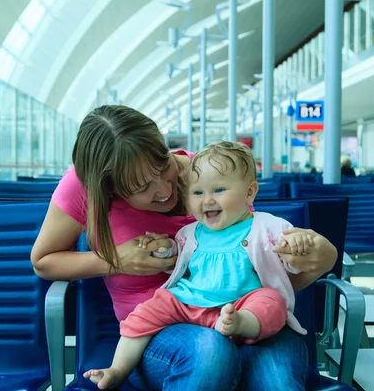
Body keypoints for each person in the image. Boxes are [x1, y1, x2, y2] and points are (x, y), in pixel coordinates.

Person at [31, 105, 338, 391]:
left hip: (242, 313)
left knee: (276, 377)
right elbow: (44, 261)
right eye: (141, 187)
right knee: (211, 351)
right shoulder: (85, 185)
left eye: (163, 165)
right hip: (159, 331)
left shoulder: (209, 175)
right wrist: (116, 261)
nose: (164, 190)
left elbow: (257, 271)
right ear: (111, 189)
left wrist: (316, 261)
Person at [83, 141, 312, 389]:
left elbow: (292, 263)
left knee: (271, 301)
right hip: (190, 304)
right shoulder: (190, 233)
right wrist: (163, 249)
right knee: (144, 314)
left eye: (219, 190)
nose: (207, 200)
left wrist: (297, 244)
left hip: (243, 303)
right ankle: (117, 369)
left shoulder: (268, 226)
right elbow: (176, 261)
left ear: (249, 193)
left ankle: (242, 324)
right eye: (198, 193)